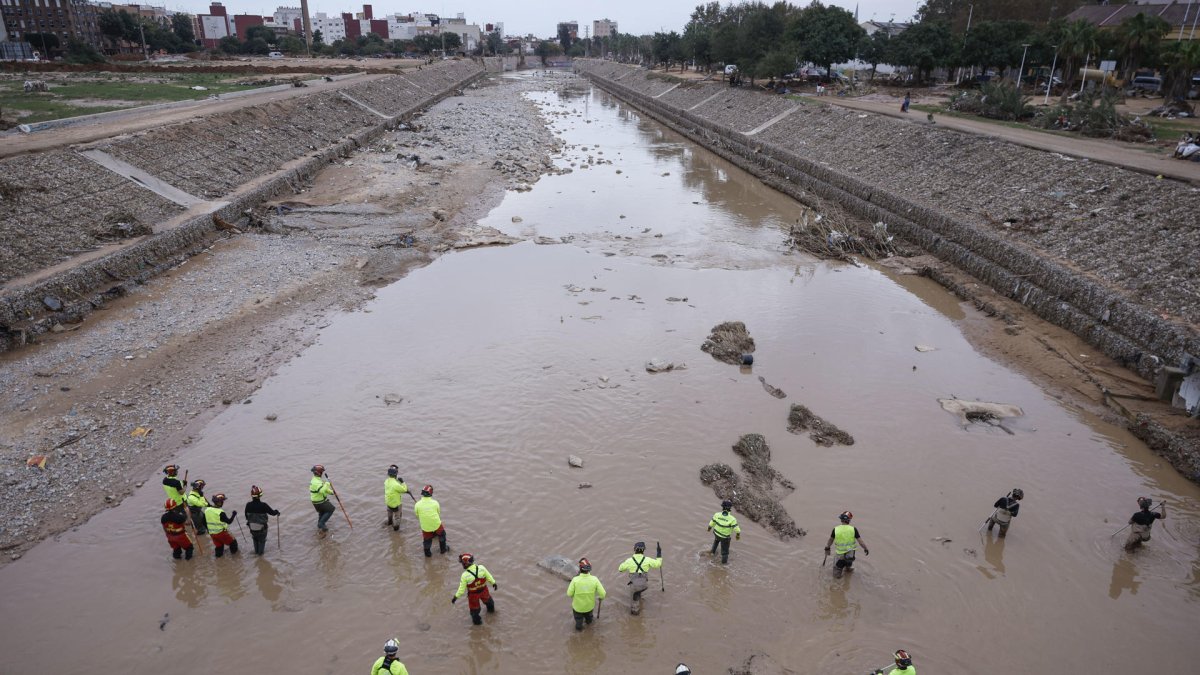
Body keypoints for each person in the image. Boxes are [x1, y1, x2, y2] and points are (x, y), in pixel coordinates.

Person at [617, 541, 663, 615]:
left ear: (634, 549)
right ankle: (639, 596)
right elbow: (658, 564)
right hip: (644, 585)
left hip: (635, 586)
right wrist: (659, 554)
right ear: (643, 550)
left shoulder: (629, 560)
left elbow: (620, 569)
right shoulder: (647, 560)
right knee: (639, 590)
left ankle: (635, 616)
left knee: (634, 602)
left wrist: (626, 564)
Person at [451, 553, 497, 625]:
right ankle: (492, 614)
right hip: (484, 591)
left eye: (462, 563)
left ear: (465, 564)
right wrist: (494, 583)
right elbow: (489, 576)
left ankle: (478, 624)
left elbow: (461, 590)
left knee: (474, 611)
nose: (462, 565)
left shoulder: (464, 575)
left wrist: (455, 597)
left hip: (473, 595)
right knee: (489, 603)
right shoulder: (481, 568)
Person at [824, 511, 869, 578]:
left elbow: (830, 540)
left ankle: (838, 584)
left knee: (836, 574)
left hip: (840, 556)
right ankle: (848, 571)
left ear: (841, 519)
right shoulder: (853, 529)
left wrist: (827, 547)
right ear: (849, 520)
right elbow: (860, 542)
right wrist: (865, 548)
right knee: (848, 566)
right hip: (850, 555)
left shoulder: (836, 529)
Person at [567, 557, 606, 631]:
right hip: (589, 607)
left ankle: (579, 633)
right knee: (589, 620)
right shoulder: (595, 579)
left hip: (578, 608)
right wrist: (600, 597)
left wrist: (575, 596)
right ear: (589, 569)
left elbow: (569, 594)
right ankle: (589, 629)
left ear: (580, 569)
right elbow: (603, 594)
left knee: (578, 622)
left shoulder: (575, 580)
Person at [244, 485, 280, 555]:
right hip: (262, 530)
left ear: (252, 495)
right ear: (260, 495)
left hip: (252, 529)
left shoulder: (248, 505)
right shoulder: (264, 505)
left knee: (255, 539)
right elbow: (272, 513)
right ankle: (260, 557)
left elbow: (246, 517)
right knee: (262, 541)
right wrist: (277, 512)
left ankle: (256, 553)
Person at [414, 484, 447, 557]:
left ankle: (428, 554)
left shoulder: (417, 504)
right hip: (436, 524)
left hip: (425, 527)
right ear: (431, 493)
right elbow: (438, 512)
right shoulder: (435, 503)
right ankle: (443, 550)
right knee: (442, 535)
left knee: (427, 540)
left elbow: (417, 514)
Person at [205, 493, 239, 558]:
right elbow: (229, 522)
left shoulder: (207, 510)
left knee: (219, 546)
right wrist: (233, 514)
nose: (223, 503)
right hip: (221, 532)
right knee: (233, 543)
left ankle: (219, 560)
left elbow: (204, 522)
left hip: (212, 533)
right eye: (222, 501)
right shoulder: (220, 512)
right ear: (219, 503)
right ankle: (235, 558)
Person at [707, 499, 741, 564]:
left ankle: (712, 552)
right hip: (725, 537)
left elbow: (711, 524)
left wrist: (709, 529)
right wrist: (738, 535)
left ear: (722, 506)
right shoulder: (732, 519)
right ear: (730, 508)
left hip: (716, 533)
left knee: (716, 541)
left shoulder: (717, 514)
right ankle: (724, 565)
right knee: (725, 552)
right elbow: (737, 530)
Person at [309, 465, 336, 535]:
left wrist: (332, 492)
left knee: (322, 513)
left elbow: (324, 489)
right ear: (319, 473)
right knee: (331, 509)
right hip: (319, 502)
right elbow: (322, 491)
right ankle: (321, 524)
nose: (322, 473)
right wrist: (327, 483)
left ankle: (320, 526)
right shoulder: (315, 482)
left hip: (318, 501)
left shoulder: (317, 479)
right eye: (322, 472)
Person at [384, 465, 408, 532]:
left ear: (388, 474)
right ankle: (396, 530)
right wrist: (403, 482)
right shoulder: (396, 484)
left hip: (388, 503)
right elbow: (404, 490)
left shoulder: (386, 481)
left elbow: (393, 484)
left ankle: (389, 523)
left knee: (390, 515)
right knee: (397, 517)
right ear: (396, 474)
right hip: (396, 504)